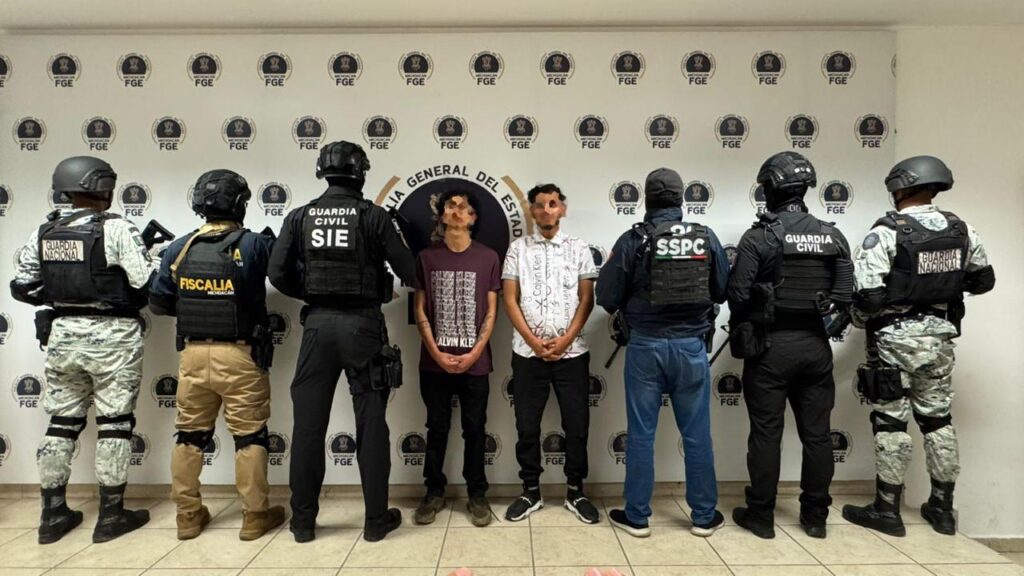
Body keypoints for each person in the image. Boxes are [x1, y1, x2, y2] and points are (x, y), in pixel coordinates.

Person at [268, 140, 416, 543]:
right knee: (371, 424)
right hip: (362, 327)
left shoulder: (300, 216)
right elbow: (410, 272)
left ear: (323, 171)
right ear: (361, 172)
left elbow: (277, 273)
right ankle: (375, 521)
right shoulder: (373, 216)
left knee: (308, 428)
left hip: (317, 327)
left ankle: (302, 524)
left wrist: (312, 293)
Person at [842, 156, 995, 537]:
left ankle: (886, 509)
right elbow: (983, 281)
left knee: (891, 422)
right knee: (938, 421)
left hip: (894, 342)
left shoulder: (888, 231)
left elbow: (868, 296)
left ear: (900, 188)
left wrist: (861, 316)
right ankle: (942, 509)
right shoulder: (962, 230)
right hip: (940, 340)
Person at [9, 156, 157, 544]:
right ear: (103, 188)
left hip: (63, 337)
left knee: (61, 423)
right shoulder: (117, 228)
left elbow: (22, 286)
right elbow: (146, 283)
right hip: (114, 338)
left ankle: (52, 514)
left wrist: (65, 298)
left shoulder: (45, 231)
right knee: (115, 424)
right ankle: (111, 515)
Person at [149, 169, 284, 541]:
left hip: (193, 355)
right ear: (240, 204)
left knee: (189, 436)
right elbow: (288, 275)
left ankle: (187, 516)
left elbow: (159, 303)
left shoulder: (179, 248)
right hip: (240, 355)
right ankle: (255, 516)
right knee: (250, 436)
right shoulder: (255, 244)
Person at [726, 151, 854, 540]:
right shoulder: (833, 235)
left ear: (770, 188)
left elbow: (736, 295)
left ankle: (761, 516)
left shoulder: (760, 236)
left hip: (770, 347)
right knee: (818, 435)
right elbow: (845, 296)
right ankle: (815, 517)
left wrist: (762, 301)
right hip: (815, 347)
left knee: (766, 433)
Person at [596, 168, 728, 538]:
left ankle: (637, 517)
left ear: (646, 199)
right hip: (691, 348)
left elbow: (606, 296)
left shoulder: (633, 239)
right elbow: (722, 290)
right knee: (697, 435)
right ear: (681, 199)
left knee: (641, 435)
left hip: (646, 347)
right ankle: (704, 516)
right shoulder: (705, 237)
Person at [501, 183, 600, 525]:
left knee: (577, 425)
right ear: (531, 210)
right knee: (527, 426)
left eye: (553, 203)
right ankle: (530, 490)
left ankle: (576, 491)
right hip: (527, 354)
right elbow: (509, 299)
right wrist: (532, 341)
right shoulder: (517, 249)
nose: (546, 210)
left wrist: (566, 340)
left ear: (563, 209)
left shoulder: (579, 248)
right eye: (540, 204)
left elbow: (587, 299)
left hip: (572, 354)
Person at [411, 190, 501, 527]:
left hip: (476, 364)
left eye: (465, 207)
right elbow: (419, 309)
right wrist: (436, 353)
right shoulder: (425, 257)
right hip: (434, 363)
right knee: (436, 428)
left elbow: (491, 312)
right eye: (451, 205)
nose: (458, 211)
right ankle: (433, 492)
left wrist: (475, 352)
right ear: (441, 215)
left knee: (475, 430)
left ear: (473, 218)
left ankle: (477, 494)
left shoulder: (489, 257)